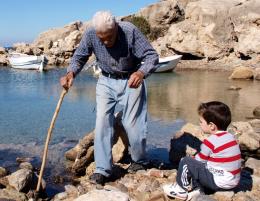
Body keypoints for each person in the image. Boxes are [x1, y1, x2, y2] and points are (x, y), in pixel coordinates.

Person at [60, 11, 159, 185]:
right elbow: (80, 56)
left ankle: (139, 161)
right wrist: (71, 73)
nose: (106, 42)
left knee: (133, 123)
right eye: (102, 38)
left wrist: (141, 72)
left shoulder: (129, 30)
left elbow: (151, 56)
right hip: (106, 80)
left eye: (109, 37)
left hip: (131, 79)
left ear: (116, 28)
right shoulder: (91, 33)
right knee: (102, 122)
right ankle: (102, 169)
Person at [163, 101, 241, 200]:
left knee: (186, 162)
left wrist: (192, 159)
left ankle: (180, 189)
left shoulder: (210, 141)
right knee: (203, 165)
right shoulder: (231, 137)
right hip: (233, 182)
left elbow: (198, 161)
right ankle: (198, 190)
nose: (199, 124)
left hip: (219, 182)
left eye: (201, 122)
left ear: (211, 125)